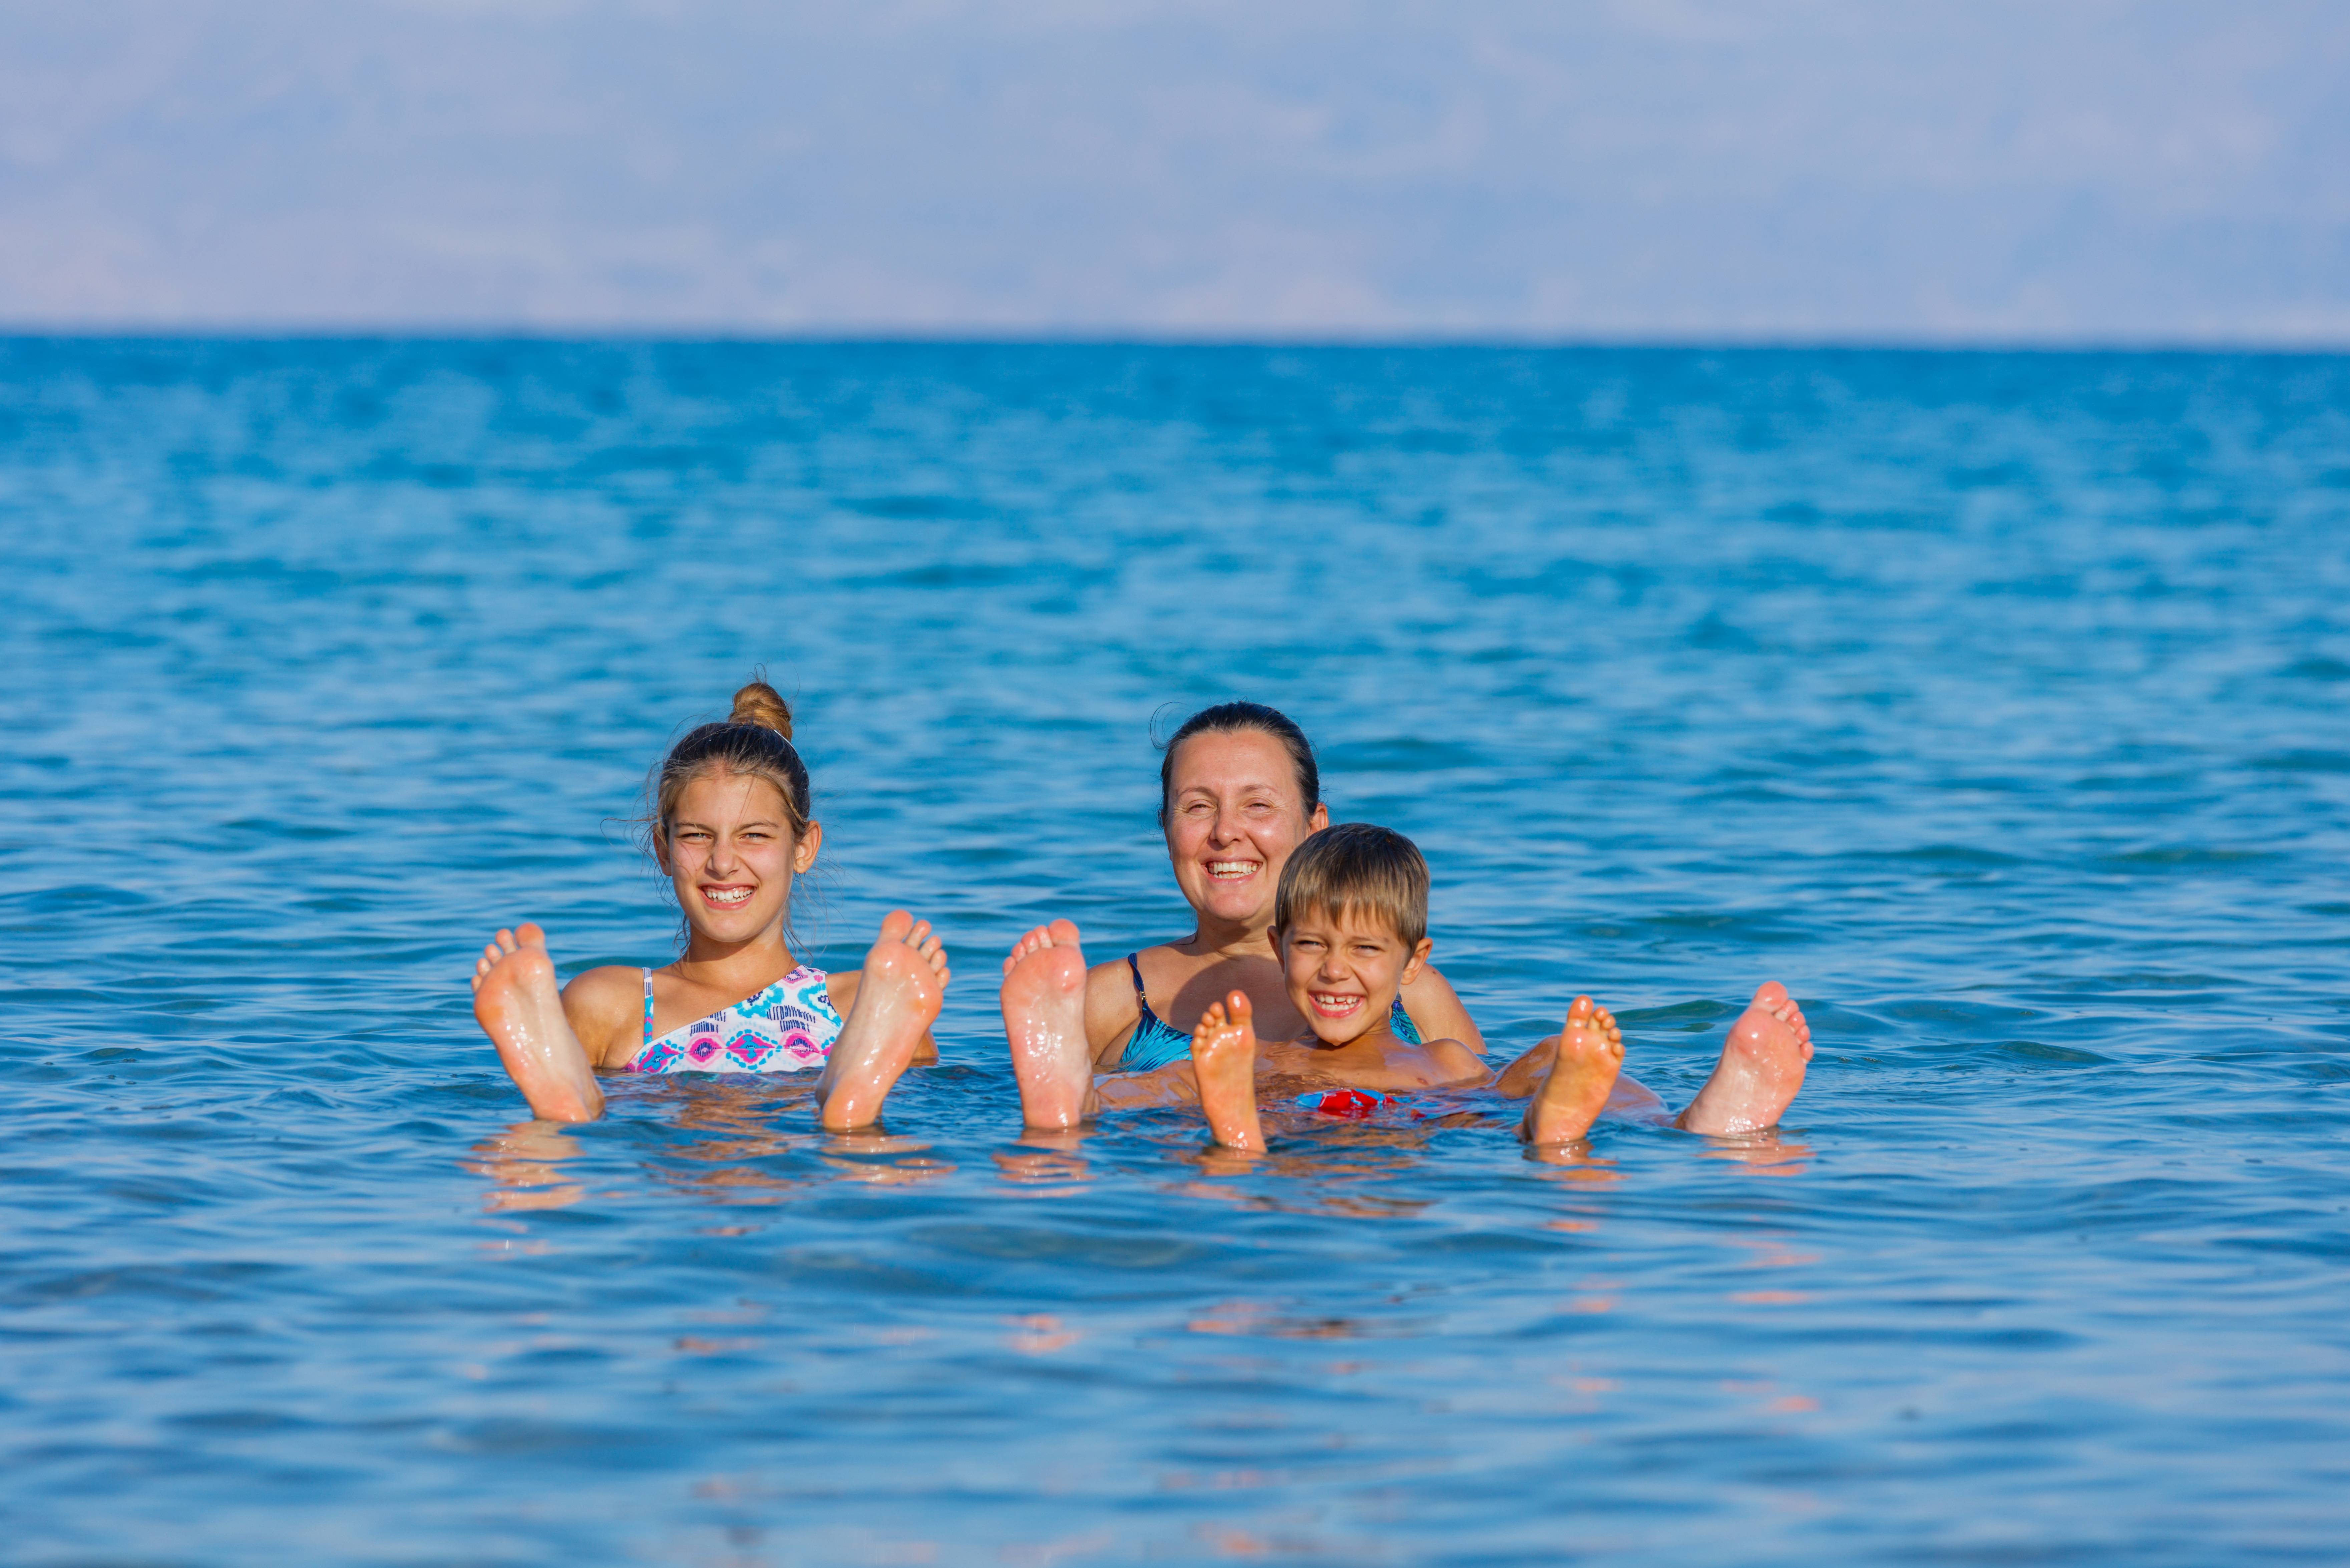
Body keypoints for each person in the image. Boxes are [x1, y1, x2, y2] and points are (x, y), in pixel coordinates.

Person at [1001, 823, 1812, 1148]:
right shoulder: (1264, 1056)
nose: (1333, 970)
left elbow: (1480, 1093)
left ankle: (1695, 1115)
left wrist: (1537, 1086)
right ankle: (1070, 1092)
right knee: (1197, 1087)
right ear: (1279, 948)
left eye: (1364, 950)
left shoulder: (1443, 1059)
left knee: (1542, 1064)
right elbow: (1152, 1095)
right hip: (1309, 1110)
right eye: (1312, 945)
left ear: (1413, 964)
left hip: (1410, 1111)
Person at [1030, 699, 1661, 1117]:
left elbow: (1478, 1108)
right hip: (1198, 1182)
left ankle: (1704, 1122)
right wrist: (922, 1051)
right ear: (1166, 827)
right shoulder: (1110, 996)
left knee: (1550, 1070)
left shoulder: (1411, 992)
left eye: (1257, 805)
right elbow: (1031, 1101)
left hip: (1301, 1172)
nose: (1225, 833)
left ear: (1314, 827)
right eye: (1197, 807)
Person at [469, 680, 949, 1129]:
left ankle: (850, 1101)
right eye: (698, 836)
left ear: (804, 848)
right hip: (810, 1146)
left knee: (560, 1144)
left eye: (754, 836)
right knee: (862, 1146)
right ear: (663, 849)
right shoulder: (610, 1004)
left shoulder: (871, 1005)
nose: (723, 863)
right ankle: (569, 1101)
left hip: (666, 1162)